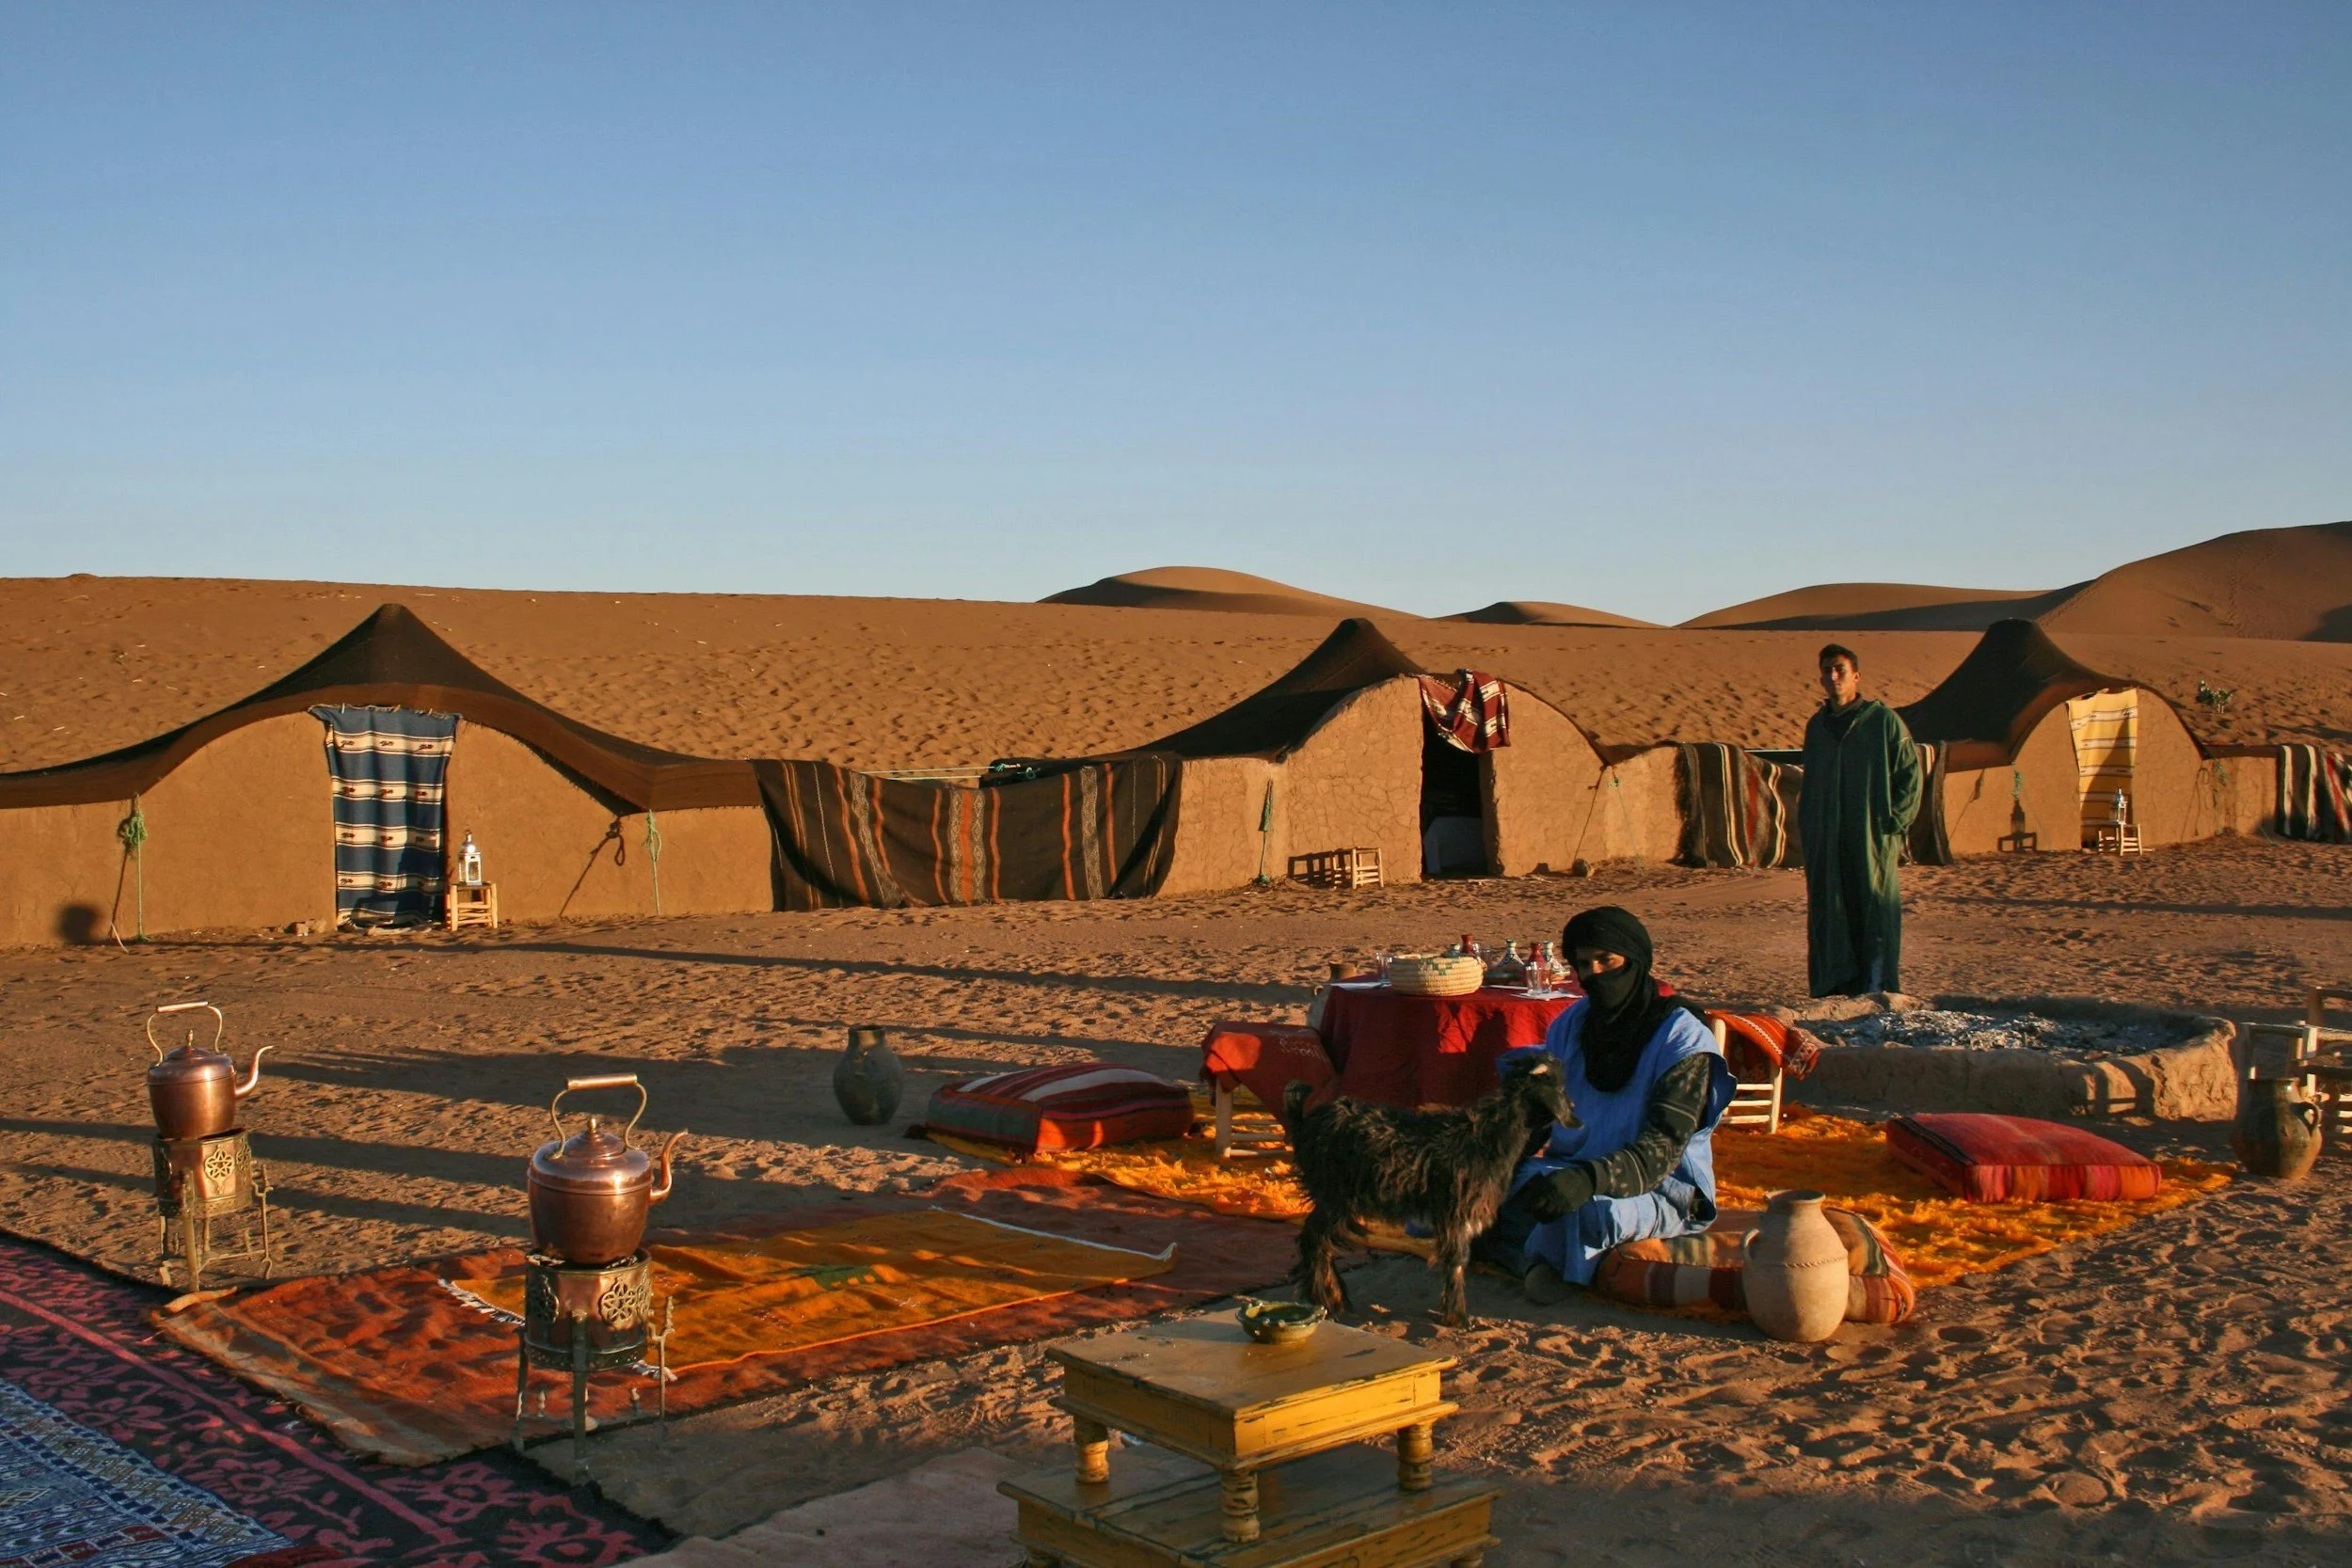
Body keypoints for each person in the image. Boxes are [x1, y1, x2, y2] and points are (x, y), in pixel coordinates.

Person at [1473, 906, 1736, 1304]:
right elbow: (1541, 1116)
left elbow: (1661, 1148)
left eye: (1606, 960)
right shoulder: (1571, 1025)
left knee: (1590, 1215)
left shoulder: (1682, 1040)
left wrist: (1589, 1181)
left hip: (1658, 1188)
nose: (1594, 973)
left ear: (1635, 959)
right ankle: (1536, 1263)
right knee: (1481, 1192)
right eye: (1584, 963)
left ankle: (1534, 1262)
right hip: (1567, 1169)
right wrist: (1493, 1169)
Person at [1799, 642, 1923, 998]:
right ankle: (1834, 987)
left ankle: (1878, 986)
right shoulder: (1817, 728)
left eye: (1839, 669)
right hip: (1826, 838)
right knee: (1830, 908)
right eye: (1826, 670)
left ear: (1856, 676)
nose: (1833, 676)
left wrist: (1892, 823)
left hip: (1872, 836)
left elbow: (1910, 775)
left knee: (1873, 906)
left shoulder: (1883, 722)